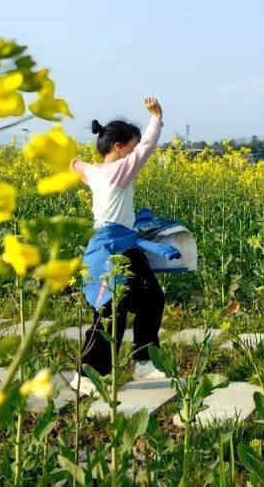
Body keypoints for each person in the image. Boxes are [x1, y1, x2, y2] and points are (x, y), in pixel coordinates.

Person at [69, 96, 170, 390]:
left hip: (123, 244)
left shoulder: (95, 172)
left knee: (151, 298)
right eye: (133, 146)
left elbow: (77, 166)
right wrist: (156, 117)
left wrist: (72, 161)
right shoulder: (119, 171)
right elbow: (148, 148)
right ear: (120, 147)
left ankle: (144, 363)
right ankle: (84, 377)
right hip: (111, 250)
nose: (136, 151)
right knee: (110, 310)